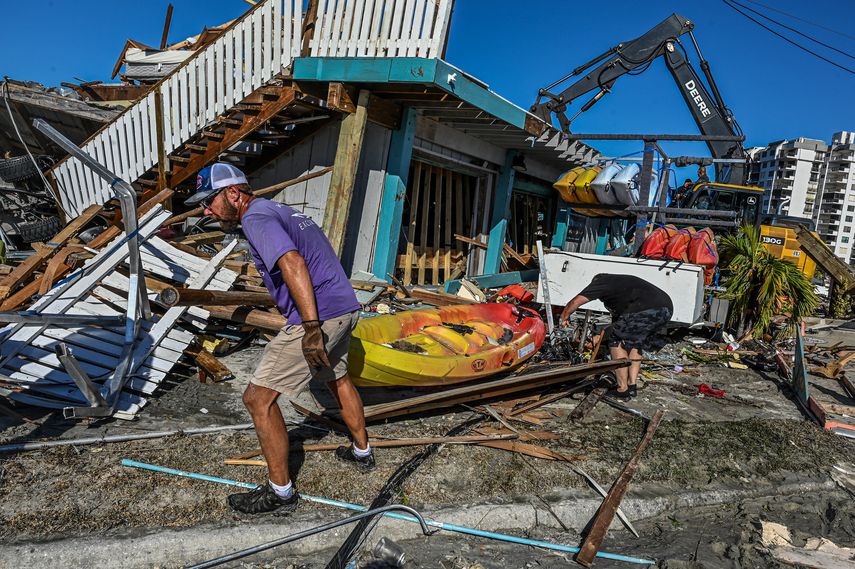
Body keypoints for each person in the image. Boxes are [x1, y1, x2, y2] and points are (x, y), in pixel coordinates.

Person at [186, 163, 372, 515]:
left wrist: (311, 327)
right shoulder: (278, 209)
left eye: (209, 202)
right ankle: (362, 451)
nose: (206, 211)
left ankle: (280, 492)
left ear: (234, 193)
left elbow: (292, 261)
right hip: (344, 306)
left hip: (320, 317)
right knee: (337, 377)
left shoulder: (255, 217)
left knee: (258, 399)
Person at [559, 274, 673, 400]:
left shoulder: (602, 281)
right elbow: (617, 326)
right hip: (665, 309)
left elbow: (576, 301)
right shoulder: (621, 289)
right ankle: (632, 385)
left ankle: (622, 390)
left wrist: (564, 316)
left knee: (616, 342)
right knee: (635, 343)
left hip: (646, 309)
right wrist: (598, 337)